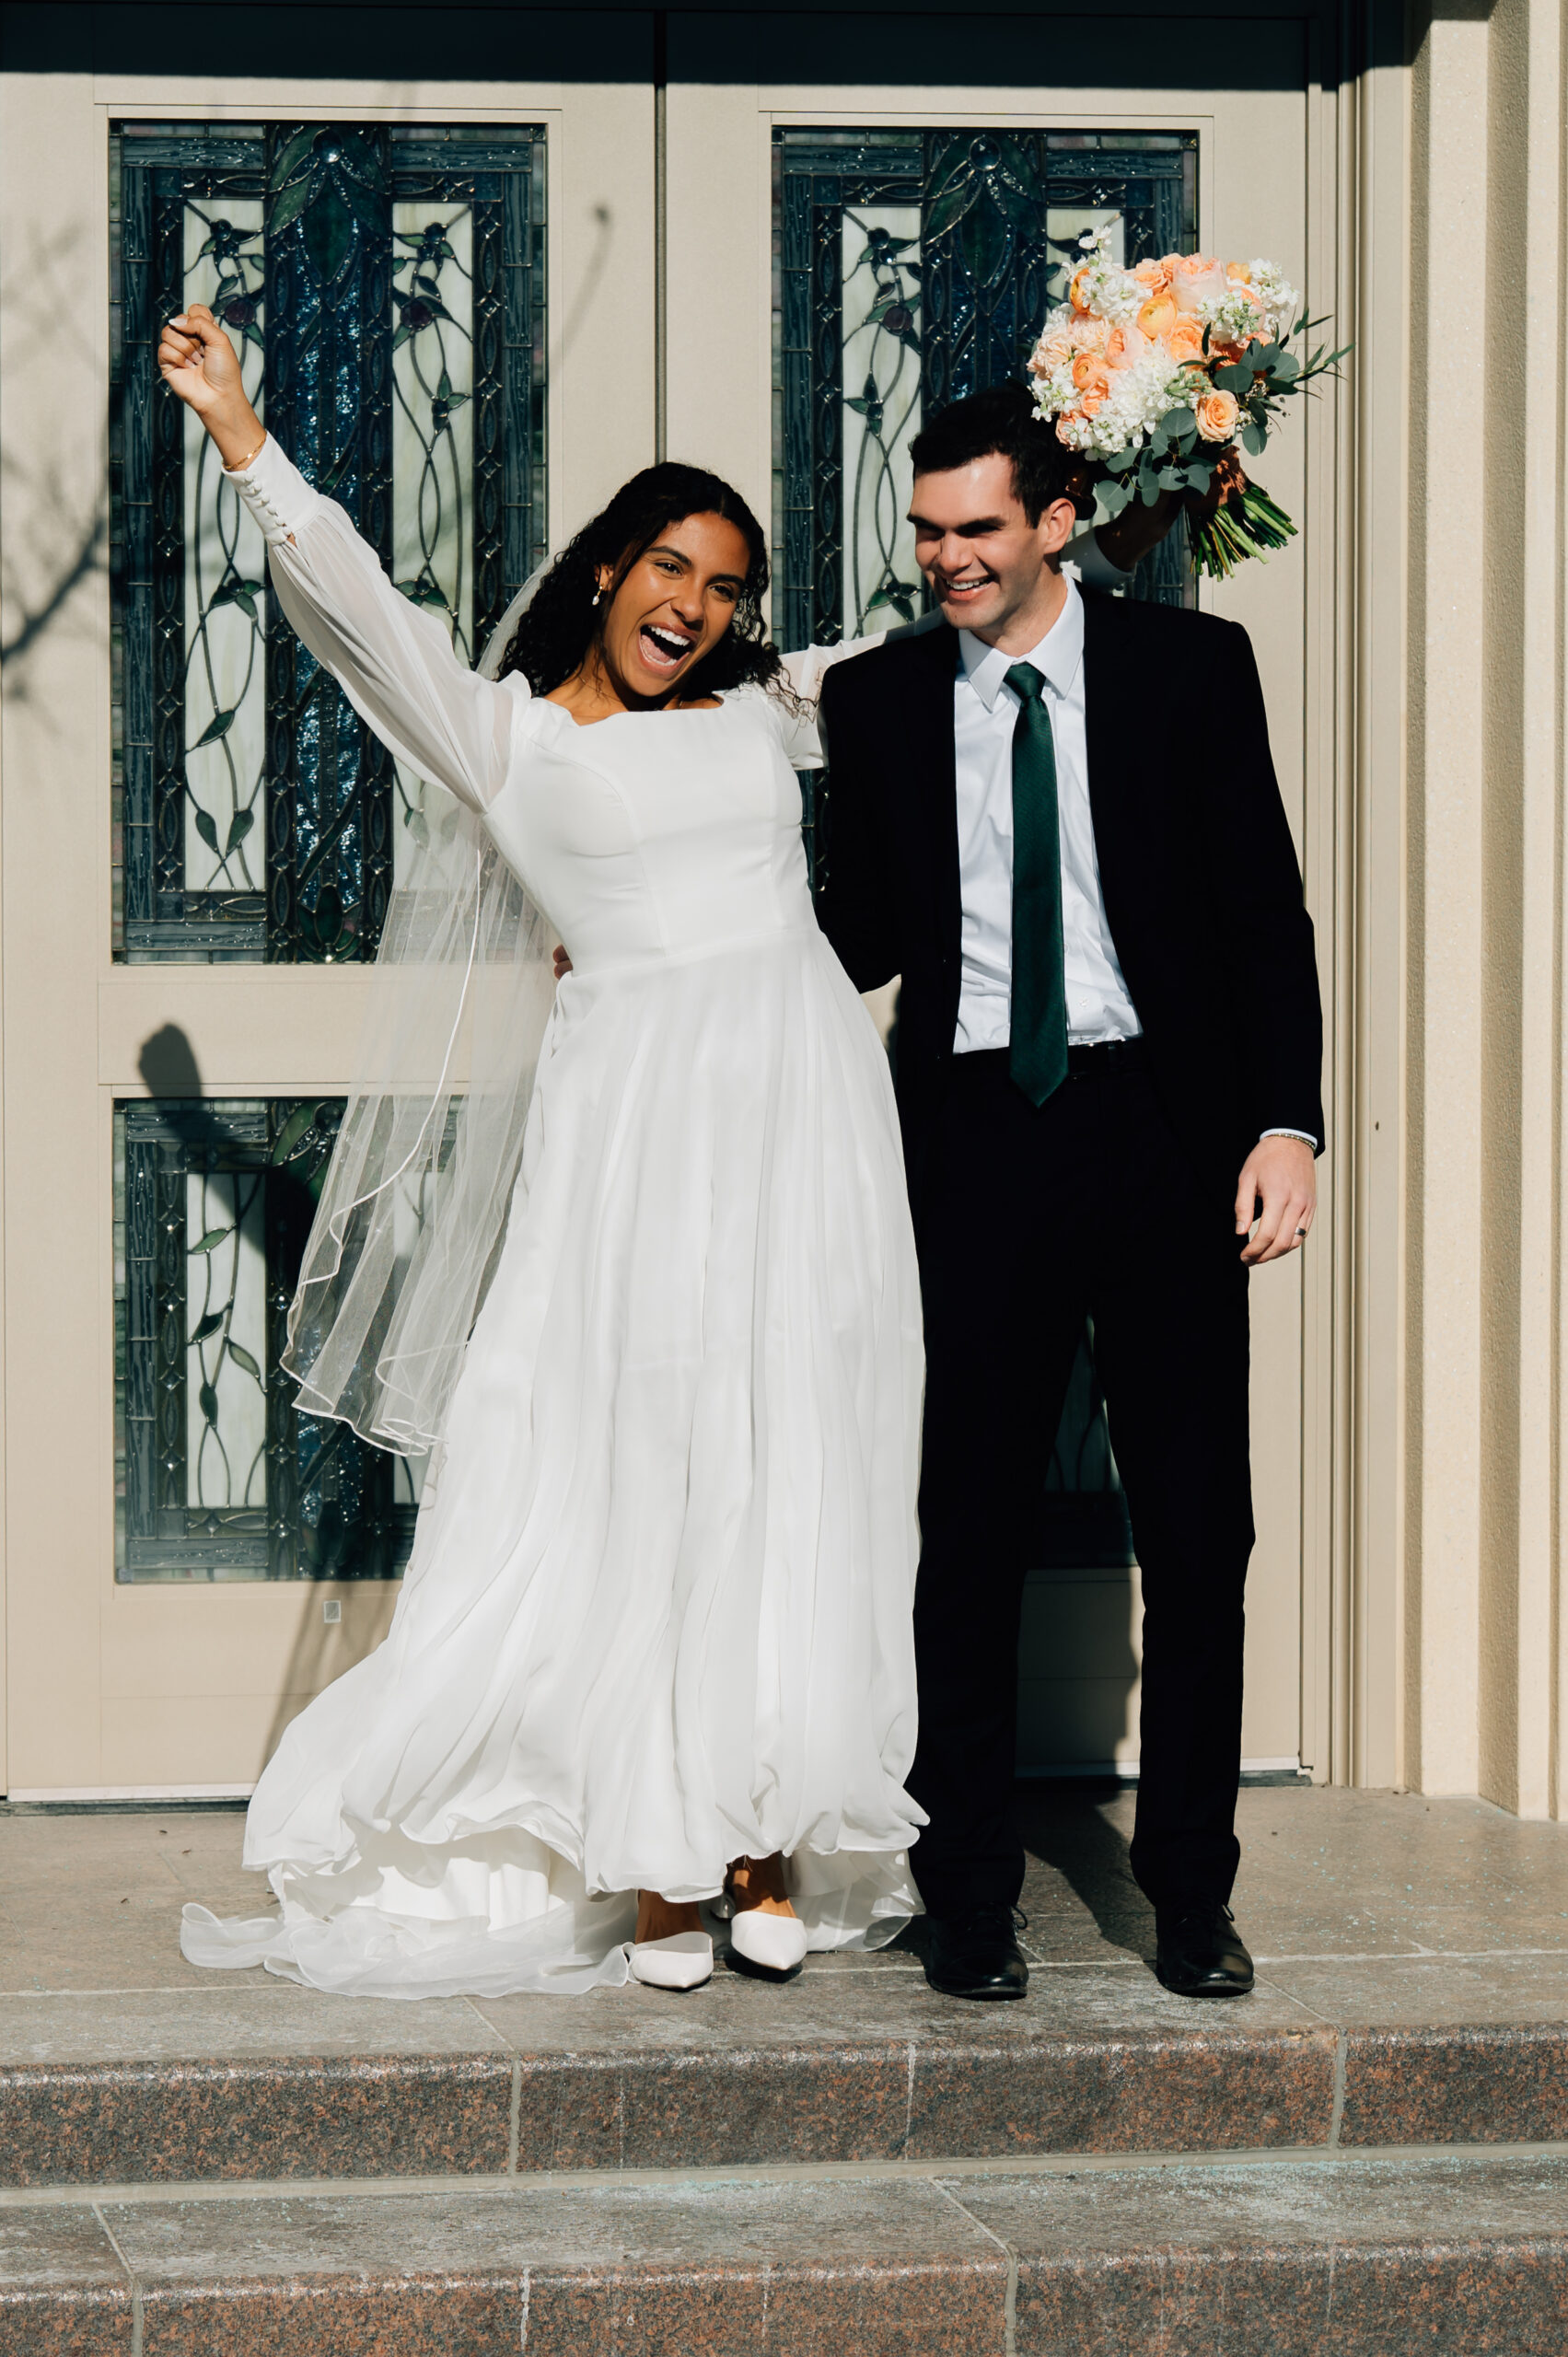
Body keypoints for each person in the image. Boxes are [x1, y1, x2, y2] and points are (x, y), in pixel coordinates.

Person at [159, 304, 925, 1999]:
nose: (696, 608)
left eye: (726, 587)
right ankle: (652, 1856)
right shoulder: (508, 738)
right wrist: (244, 437)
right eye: (670, 569)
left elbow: (950, 636)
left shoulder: (772, 710)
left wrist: (1152, 479)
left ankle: (766, 1830)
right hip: (636, 1124)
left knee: (792, 1456)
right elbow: (362, 616)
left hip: (805, 1111)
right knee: (634, 1463)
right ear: (605, 571)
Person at [817, 380, 1323, 2003]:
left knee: (1199, 1528)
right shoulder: (880, 701)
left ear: (1056, 521)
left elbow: (1265, 917)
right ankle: (965, 1890)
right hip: (971, 1141)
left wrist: (1286, 1126)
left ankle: (1190, 1890)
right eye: (927, 532)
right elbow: (861, 935)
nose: (947, 560)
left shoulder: (1191, 670)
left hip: (1162, 1136)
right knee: (961, 1525)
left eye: (978, 529)